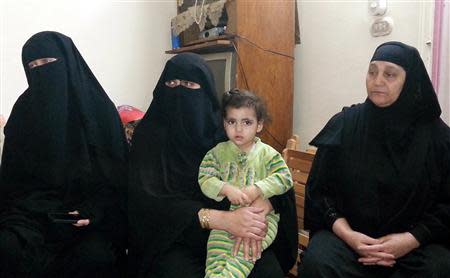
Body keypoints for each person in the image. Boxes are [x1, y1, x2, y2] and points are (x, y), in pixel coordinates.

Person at [128, 53, 298, 278]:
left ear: (206, 92)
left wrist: (263, 202)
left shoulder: (228, 133)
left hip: (238, 231)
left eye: (189, 84)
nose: (180, 91)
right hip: (175, 238)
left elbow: (274, 176)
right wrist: (222, 220)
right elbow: (145, 203)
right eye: (172, 83)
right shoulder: (149, 137)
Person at [298, 41, 450, 278]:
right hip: (350, 241)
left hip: (413, 245)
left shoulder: (436, 136)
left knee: (439, 268)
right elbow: (319, 192)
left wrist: (410, 240)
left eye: (390, 74)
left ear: (409, 81)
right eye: (372, 72)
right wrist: (349, 235)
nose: (377, 81)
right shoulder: (346, 124)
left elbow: (447, 204)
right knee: (319, 262)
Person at [0, 31, 128, 278]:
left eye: (48, 63)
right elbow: (11, 182)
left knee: (96, 256)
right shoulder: (24, 111)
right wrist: (31, 210)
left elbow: (117, 177)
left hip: (86, 216)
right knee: (7, 246)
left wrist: (95, 211)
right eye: (33, 66)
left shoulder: (99, 110)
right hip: (32, 215)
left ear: (68, 62)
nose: (42, 71)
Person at [198, 89, 293, 277]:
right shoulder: (216, 153)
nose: (239, 129)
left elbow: (284, 178)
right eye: (232, 122)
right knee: (215, 255)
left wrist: (258, 189)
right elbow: (205, 178)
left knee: (243, 254)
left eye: (247, 122)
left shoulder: (268, 154)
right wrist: (225, 188)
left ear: (259, 125)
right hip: (226, 218)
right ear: (224, 124)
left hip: (262, 219)